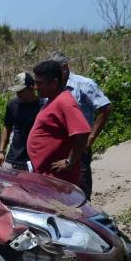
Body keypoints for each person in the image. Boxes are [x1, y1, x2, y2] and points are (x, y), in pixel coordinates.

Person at [51, 51, 112, 199]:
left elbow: (105, 108)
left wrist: (90, 138)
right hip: (59, 147)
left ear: (64, 67)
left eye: (54, 70)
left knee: (81, 187)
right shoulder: (54, 87)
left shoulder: (84, 84)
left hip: (79, 146)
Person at [27, 59, 91, 185]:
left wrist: (69, 161)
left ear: (54, 83)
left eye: (39, 83)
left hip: (58, 179)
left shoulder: (64, 102)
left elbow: (82, 132)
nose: (35, 87)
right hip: (47, 176)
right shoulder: (52, 100)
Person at [0, 72, 43, 170]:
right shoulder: (12, 105)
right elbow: (7, 128)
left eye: (21, 91)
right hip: (12, 159)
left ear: (31, 87)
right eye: (17, 91)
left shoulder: (42, 106)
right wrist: (1, 152)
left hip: (33, 161)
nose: (18, 94)